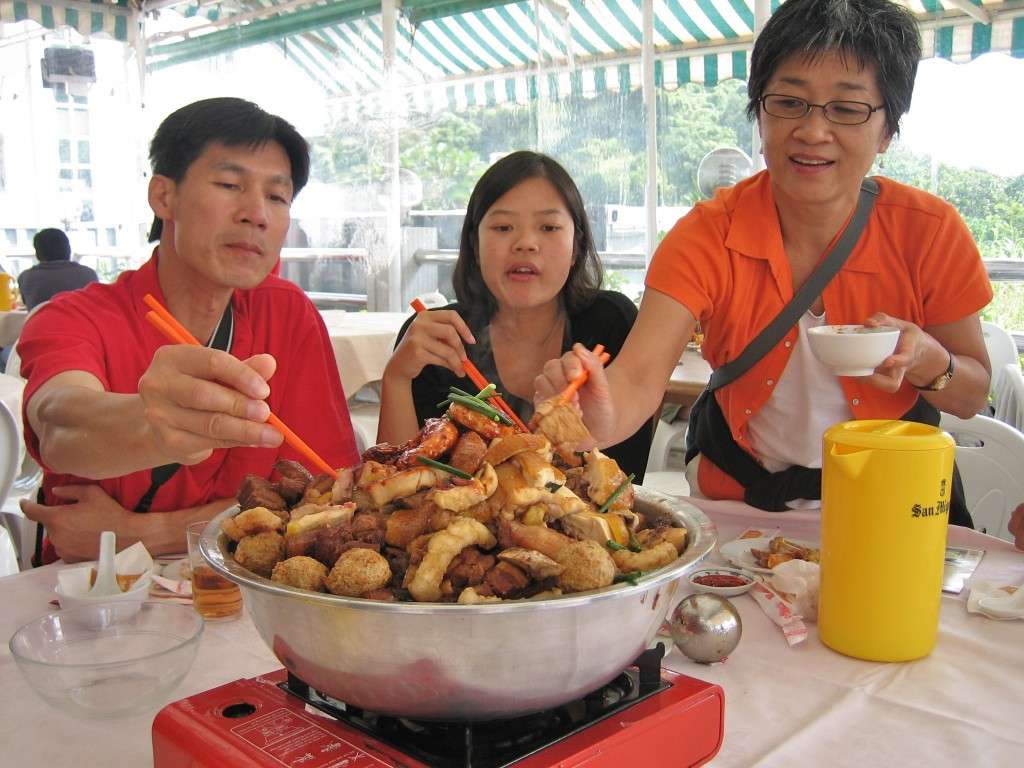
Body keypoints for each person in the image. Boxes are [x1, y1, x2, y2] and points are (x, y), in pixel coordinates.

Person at [536, 0, 991, 525]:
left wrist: (928, 360)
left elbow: (972, 395)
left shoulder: (928, 231)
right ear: (759, 111)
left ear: (888, 130)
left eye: (847, 109)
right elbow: (638, 378)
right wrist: (602, 415)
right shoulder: (708, 233)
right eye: (789, 102)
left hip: (893, 507)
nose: (813, 131)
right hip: (742, 505)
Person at [17, 97, 359, 563]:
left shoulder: (288, 314)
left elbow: (327, 492)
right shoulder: (77, 317)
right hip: (105, 603)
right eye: (229, 184)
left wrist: (144, 533)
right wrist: (152, 423)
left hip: (245, 602)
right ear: (164, 196)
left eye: (277, 197)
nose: (256, 213)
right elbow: (60, 423)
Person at [378, 151, 654, 480]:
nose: (525, 243)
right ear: (474, 242)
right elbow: (392, 487)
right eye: (503, 227)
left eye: (549, 227)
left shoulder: (610, 322)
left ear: (576, 245)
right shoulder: (438, 339)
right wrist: (397, 378)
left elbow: (625, 480)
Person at [18, 228, 98, 311]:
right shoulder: (88, 275)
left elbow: (27, 304)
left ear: (38, 253)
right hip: (81, 323)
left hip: (42, 323)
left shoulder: (26, 278)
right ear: (68, 249)